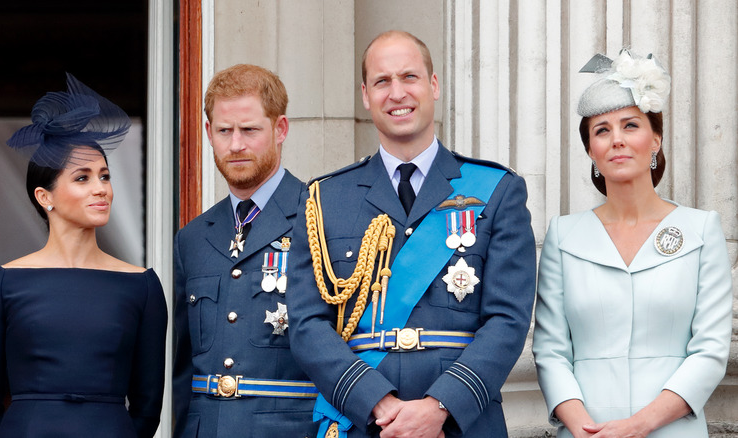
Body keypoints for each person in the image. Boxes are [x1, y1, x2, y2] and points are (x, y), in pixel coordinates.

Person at [287, 30, 537, 438]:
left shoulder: (496, 190)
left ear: (433, 86)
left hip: (460, 423)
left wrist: (440, 407)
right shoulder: (324, 198)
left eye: (409, 77)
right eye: (382, 81)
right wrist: (376, 402)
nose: (397, 92)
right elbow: (307, 324)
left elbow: (507, 319)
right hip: (365, 422)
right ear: (366, 95)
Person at [532, 50, 733, 438]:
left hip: (673, 430)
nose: (617, 140)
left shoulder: (701, 229)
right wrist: (585, 429)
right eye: (602, 130)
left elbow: (709, 351)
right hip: (585, 432)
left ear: (655, 139)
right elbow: (551, 350)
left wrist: (638, 426)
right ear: (591, 151)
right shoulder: (564, 236)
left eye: (630, 125)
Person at [0, 73, 168, 438]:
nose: (101, 189)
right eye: (83, 178)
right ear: (45, 197)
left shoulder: (142, 286)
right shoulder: (1, 282)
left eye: (105, 176)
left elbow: (148, 405)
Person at [172, 64, 319, 438]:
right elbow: (183, 371)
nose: (235, 144)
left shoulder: (320, 218)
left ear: (280, 129)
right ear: (209, 133)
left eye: (249, 130)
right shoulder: (191, 238)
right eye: (224, 131)